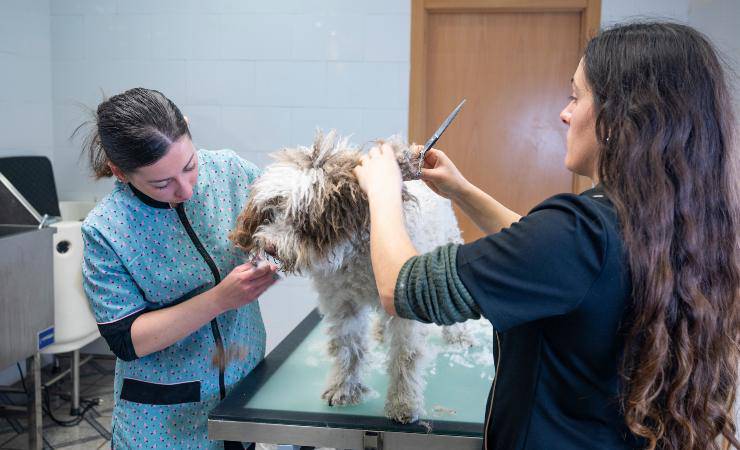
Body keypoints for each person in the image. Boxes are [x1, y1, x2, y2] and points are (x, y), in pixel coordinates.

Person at [353, 22, 739, 450]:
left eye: (576, 97)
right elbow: (545, 258)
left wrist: (383, 192)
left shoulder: (578, 231)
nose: (565, 113)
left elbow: (404, 287)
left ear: (621, 116)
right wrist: (461, 190)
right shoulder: (672, 223)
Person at [80, 88, 279, 449]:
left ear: (186, 128)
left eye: (189, 167)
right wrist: (219, 300)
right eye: (162, 183)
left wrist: (277, 249)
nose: (185, 189)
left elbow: (286, 215)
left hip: (241, 391)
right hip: (163, 418)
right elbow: (128, 338)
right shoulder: (106, 230)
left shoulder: (229, 172)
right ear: (119, 173)